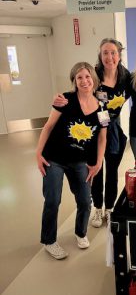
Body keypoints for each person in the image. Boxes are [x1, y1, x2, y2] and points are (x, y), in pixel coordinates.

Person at [53, 39, 131, 228]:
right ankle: (97, 208)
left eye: (113, 52)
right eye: (105, 52)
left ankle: (109, 209)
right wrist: (60, 99)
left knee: (112, 172)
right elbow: (77, 91)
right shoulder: (93, 74)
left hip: (113, 130)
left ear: (119, 55)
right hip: (94, 130)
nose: (109, 57)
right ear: (100, 55)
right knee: (95, 169)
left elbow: (132, 94)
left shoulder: (126, 77)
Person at [36, 62, 107, 260]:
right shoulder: (65, 100)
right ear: (74, 81)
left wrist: (99, 161)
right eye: (79, 78)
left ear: (94, 78)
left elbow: (103, 137)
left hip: (80, 161)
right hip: (54, 158)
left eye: (87, 76)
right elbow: (48, 126)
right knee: (52, 199)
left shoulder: (102, 108)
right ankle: (49, 241)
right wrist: (38, 154)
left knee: (85, 200)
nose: (84, 81)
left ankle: (81, 233)